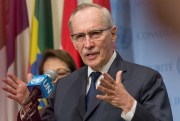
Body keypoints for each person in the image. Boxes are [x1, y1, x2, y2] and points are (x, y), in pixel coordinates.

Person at [2, 3, 173, 121]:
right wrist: (29, 107)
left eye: (95, 33)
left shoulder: (146, 79)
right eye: (80, 37)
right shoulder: (63, 86)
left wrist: (129, 106)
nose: (88, 44)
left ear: (113, 34)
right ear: (73, 41)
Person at [37, 49, 77, 115]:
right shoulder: (38, 117)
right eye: (49, 76)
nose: (55, 80)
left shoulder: (88, 109)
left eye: (61, 73)